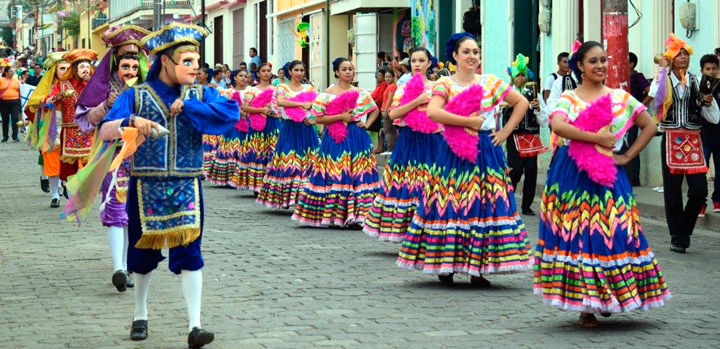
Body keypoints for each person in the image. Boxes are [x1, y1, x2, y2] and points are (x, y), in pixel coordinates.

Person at [97, 22, 238, 346]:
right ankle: (140, 313)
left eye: (197, 62)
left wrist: (190, 106)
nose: (195, 68)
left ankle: (195, 325)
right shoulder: (137, 95)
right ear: (165, 62)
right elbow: (105, 129)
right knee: (141, 257)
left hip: (187, 185)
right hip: (145, 185)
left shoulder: (201, 94)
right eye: (187, 62)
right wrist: (131, 122)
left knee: (191, 254)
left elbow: (229, 115)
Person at [534, 40, 670, 328]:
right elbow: (557, 126)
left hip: (610, 173)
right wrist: (597, 138)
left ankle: (608, 294)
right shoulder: (570, 98)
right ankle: (587, 306)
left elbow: (649, 125)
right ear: (580, 67)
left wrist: (628, 156)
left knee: (617, 230)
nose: (600, 66)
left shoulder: (620, 98)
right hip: (572, 174)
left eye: (603, 60)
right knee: (581, 235)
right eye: (593, 61)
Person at [397, 32, 531, 286]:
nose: (472, 57)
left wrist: (504, 132)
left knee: (484, 204)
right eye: (467, 52)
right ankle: (446, 264)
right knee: (451, 201)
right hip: (453, 149)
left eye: (476, 52)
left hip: (485, 149)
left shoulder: (491, 82)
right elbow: (435, 113)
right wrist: (467, 121)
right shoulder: (445, 85)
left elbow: (521, 102)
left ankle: (478, 268)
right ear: (455, 57)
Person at [72, 25, 151, 293]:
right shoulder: (103, 87)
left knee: (135, 212)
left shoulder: (148, 88)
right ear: (115, 59)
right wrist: (107, 104)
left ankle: (128, 265)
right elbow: (85, 119)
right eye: (124, 59)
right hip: (112, 155)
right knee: (116, 208)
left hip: (143, 157)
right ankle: (119, 267)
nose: (130, 69)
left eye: (135, 59)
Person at [647, 34, 720, 253]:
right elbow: (654, 96)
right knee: (672, 192)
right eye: (678, 54)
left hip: (692, 140)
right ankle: (677, 237)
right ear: (670, 58)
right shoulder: (664, 80)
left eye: (686, 54)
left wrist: (707, 103)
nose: (683, 58)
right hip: (671, 139)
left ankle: (684, 229)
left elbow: (714, 117)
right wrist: (661, 71)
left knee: (699, 191)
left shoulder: (698, 81)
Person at [292, 57, 380, 227]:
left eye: (350, 69)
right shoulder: (327, 93)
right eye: (344, 69)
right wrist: (340, 117)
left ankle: (359, 215)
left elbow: (375, 110)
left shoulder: (360, 92)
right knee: (336, 171)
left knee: (358, 173)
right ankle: (334, 213)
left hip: (357, 136)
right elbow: (318, 118)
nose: (348, 72)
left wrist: (366, 124)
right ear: (337, 72)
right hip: (334, 137)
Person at [364, 47, 440, 242]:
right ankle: (407, 229)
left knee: (432, 182)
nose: (417, 64)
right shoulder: (403, 88)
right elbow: (393, 113)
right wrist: (418, 100)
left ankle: (430, 230)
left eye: (422, 60)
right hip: (410, 139)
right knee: (408, 183)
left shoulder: (439, 86)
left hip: (434, 140)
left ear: (429, 63)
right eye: (414, 61)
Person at [257, 60, 319, 209]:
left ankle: (303, 198)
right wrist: (301, 104)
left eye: (302, 70)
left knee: (307, 163)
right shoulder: (282, 87)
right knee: (289, 162)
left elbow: (318, 105)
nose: (299, 73)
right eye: (296, 70)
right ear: (289, 72)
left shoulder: (308, 88)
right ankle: (286, 197)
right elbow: (280, 101)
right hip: (289, 128)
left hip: (306, 129)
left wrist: (312, 119)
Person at [502, 53, 546, 216]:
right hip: (513, 136)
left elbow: (543, 120)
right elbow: (496, 110)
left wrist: (537, 108)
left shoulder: (535, 94)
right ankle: (507, 200)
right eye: (517, 75)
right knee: (516, 169)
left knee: (531, 171)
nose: (520, 78)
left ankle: (526, 205)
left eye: (523, 75)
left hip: (531, 137)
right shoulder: (506, 93)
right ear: (512, 77)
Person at [44, 49, 98, 183]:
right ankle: (69, 188)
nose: (85, 70)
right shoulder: (62, 85)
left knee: (91, 166)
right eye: (82, 67)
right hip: (69, 130)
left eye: (87, 66)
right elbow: (48, 101)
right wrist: (57, 97)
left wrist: (92, 83)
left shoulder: (94, 85)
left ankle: (86, 189)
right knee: (69, 168)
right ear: (74, 69)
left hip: (90, 130)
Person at [25, 52, 69, 207]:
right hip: (51, 129)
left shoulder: (75, 85)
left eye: (68, 68)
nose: (65, 71)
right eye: (62, 68)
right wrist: (48, 101)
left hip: (71, 128)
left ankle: (65, 183)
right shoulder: (48, 86)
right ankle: (55, 194)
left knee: (70, 160)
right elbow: (34, 103)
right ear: (55, 70)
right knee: (51, 161)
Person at [240, 62, 280, 192]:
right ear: (258, 73)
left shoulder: (276, 90)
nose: (266, 73)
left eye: (268, 70)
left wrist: (276, 113)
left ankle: (271, 183)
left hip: (273, 123)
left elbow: (281, 107)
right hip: (257, 125)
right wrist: (261, 110)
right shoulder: (252, 90)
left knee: (272, 151)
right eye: (263, 71)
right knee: (258, 153)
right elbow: (245, 107)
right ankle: (256, 184)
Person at [207, 69, 250, 187]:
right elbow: (223, 106)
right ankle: (228, 176)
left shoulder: (251, 91)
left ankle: (240, 177)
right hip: (232, 125)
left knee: (244, 149)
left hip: (247, 124)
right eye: (241, 76)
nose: (243, 78)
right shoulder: (228, 92)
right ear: (234, 78)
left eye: (245, 76)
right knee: (231, 148)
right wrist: (237, 112)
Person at [623, 52, 651, 186]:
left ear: (631, 64)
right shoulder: (620, 77)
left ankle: (634, 178)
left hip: (633, 117)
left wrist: (640, 106)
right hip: (620, 117)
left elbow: (650, 91)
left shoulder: (637, 77)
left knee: (632, 144)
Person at [699, 54, 720, 214]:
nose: (711, 72)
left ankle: (718, 200)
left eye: (714, 68)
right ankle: (701, 202)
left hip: (719, 135)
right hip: (702, 136)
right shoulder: (696, 87)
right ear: (702, 70)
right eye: (708, 69)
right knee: (701, 170)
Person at [0, 66, 21, 142]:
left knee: (15, 119)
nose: (12, 72)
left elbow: (21, 89)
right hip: (3, 102)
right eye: (11, 71)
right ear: (6, 73)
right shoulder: (1, 80)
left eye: (13, 71)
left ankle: (15, 136)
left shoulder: (16, 80)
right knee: (5, 120)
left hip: (15, 102)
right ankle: (5, 136)